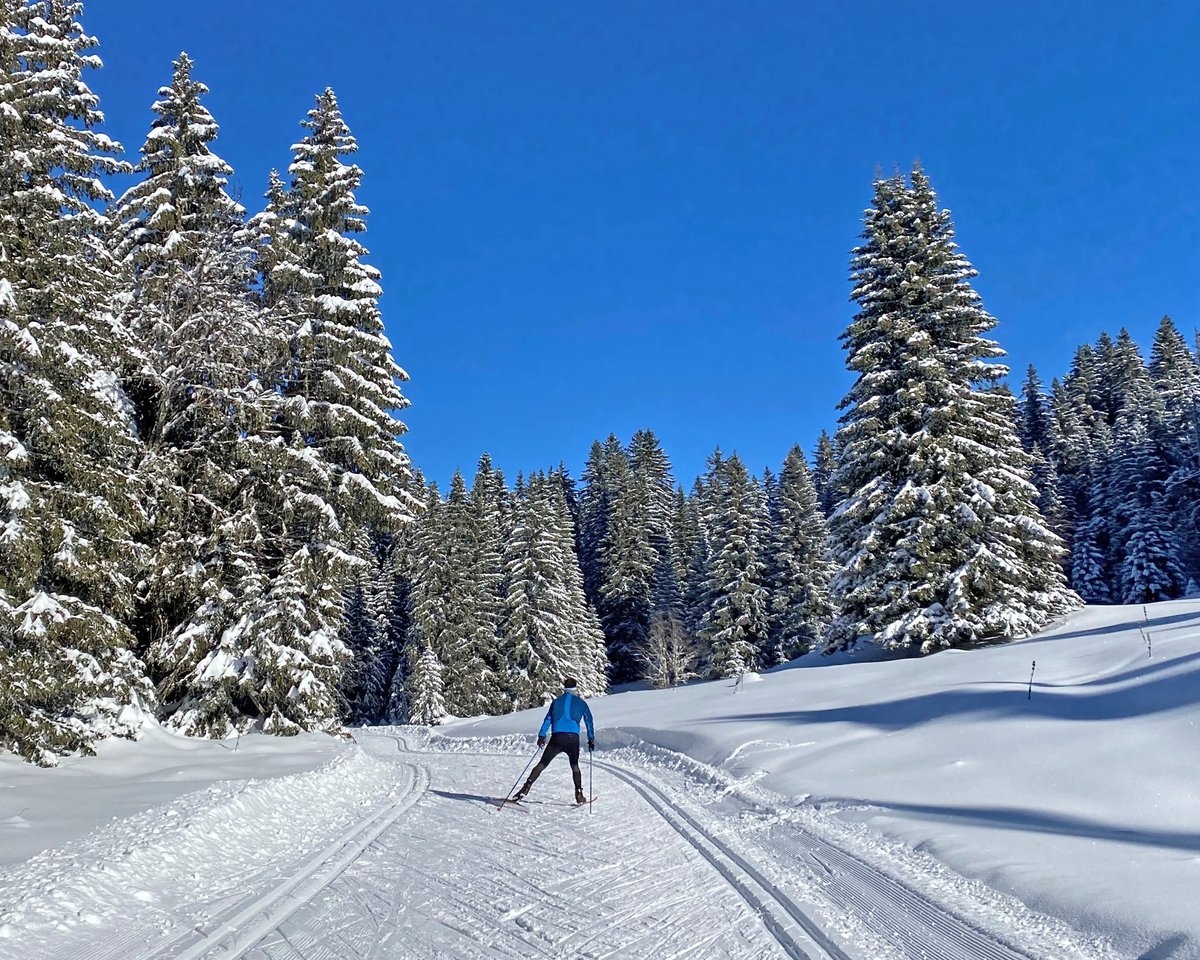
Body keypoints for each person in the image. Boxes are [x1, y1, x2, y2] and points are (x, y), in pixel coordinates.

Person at [513, 677, 595, 804]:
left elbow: (548, 719)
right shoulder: (581, 703)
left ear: (564, 688)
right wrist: (591, 739)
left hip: (557, 737)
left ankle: (525, 788)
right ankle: (579, 794)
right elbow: (589, 720)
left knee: (542, 763)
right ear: (575, 688)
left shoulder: (556, 702)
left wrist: (542, 735)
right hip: (573, 738)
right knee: (574, 766)